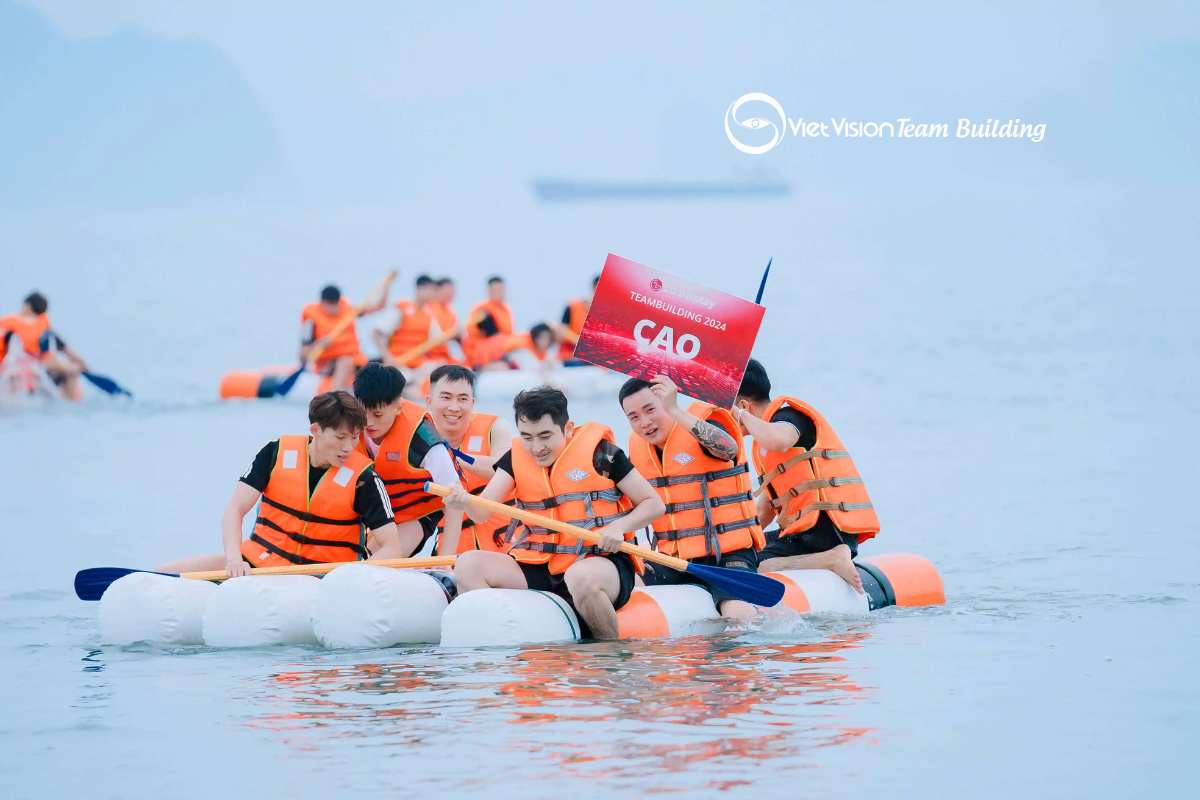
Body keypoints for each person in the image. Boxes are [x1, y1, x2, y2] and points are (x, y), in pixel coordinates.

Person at [445, 386, 665, 640]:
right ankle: (499, 639)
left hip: (599, 563)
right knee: (468, 565)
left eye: (545, 436)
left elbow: (653, 504)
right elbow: (481, 513)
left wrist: (619, 527)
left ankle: (609, 651)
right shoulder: (515, 458)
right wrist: (463, 501)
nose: (536, 447)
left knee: (579, 576)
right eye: (527, 437)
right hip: (540, 565)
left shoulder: (603, 454)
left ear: (567, 429)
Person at [155, 391, 410, 577]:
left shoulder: (365, 479)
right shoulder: (276, 453)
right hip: (260, 565)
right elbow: (235, 509)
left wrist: (352, 578)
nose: (348, 447)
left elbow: (392, 546)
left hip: (321, 578)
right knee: (160, 574)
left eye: (354, 438)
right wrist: (234, 559)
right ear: (316, 430)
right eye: (340, 437)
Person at [620, 375, 765, 621]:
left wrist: (675, 409)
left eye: (650, 409)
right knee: (627, 586)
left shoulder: (704, 424)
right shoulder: (637, 450)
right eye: (634, 417)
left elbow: (729, 448)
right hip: (674, 560)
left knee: (736, 613)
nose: (644, 422)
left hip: (729, 557)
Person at [733, 359, 879, 592]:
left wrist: (739, 415)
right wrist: (735, 542)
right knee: (739, 558)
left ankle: (831, 559)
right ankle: (825, 558)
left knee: (756, 566)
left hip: (828, 533)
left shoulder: (790, 418)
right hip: (803, 536)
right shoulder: (764, 444)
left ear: (743, 406)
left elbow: (779, 440)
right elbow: (766, 510)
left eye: (728, 411)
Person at [352, 363, 465, 557]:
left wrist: (445, 560)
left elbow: (455, 502)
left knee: (378, 563)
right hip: (377, 516)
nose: (369, 422)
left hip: (416, 515)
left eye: (377, 414)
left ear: (398, 407)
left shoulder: (424, 440)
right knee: (358, 561)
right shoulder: (348, 426)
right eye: (364, 413)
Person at [424, 364, 513, 553]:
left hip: (505, 542)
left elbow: (506, 469)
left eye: (462, 399)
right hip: (451, 547)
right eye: (446, 397)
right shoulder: (416, 437)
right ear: (429, 401)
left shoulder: (496, 427)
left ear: (472, 402)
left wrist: (453, 456)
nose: (454, 407)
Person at [0, 292, 86, 400]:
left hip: (14, 372)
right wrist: (76, 367)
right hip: (35, 373)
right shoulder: (44, 329)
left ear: (27, 306)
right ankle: (73, 402)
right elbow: (57, 354)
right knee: (70, 374)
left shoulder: (8, 323)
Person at [301, 284, 383, 391]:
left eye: (336, 304)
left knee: (382, 363)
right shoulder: (310, 319)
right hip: (328, 364)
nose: (333, 309)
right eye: (329, 305)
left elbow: (379, 306)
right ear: (322, 303)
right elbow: (303, 355)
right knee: (345, 361)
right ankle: (337, 395)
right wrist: (319, 344)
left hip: (356, 360)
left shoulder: (348, 309)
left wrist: (388, 284)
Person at [374, 274, 443, 370]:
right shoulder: (401, 308)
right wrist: (388, 357)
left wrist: (455, 332)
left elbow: (439, 339)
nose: (433, 293)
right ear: (419, 289)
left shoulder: (430, 313)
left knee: (441, 368)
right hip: (397, 364)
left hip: (418, 364)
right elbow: (377, 334)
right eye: (430, 289)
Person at [462, 275, 514, 370]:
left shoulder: (506, 309)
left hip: (502, 351)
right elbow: (471, 333)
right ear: (488, 291)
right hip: (483, 357)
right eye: (495, 290)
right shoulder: (482, 309)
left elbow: (509, 333)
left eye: (500, 289)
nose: (498, 293)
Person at [556, 274, 599, 362]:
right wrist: (578, 341)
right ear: (593, 288)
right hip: (569, 358)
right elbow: (561, 331)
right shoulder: (572, 306)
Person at [429, 277, 461, 364]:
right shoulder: (428, 308)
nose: (451, 294)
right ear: (437, 290)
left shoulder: (451, 311)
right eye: (447, 291)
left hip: (446, 354)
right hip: (430, 355)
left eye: (452, 292)